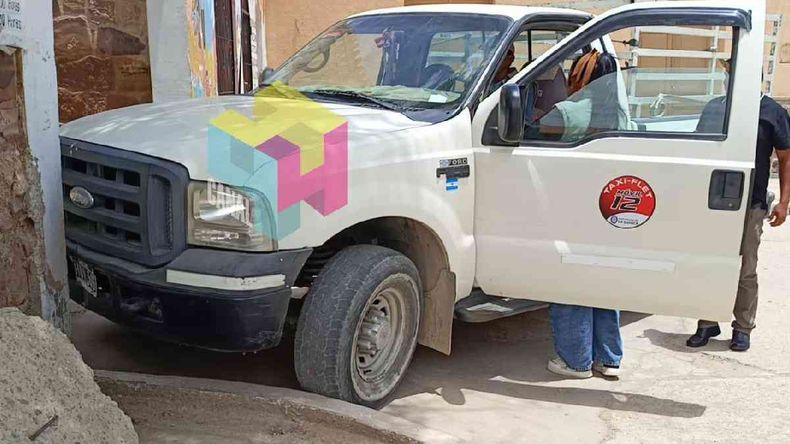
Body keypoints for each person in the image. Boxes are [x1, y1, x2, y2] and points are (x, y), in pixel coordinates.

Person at [687, 76, 790, 352]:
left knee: (746, 269)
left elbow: (785, 158)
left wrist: (784, 202)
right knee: (711, 265)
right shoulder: (715, 108)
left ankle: (743, 327)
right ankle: (707, 322)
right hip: (713, 202)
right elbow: (699, 150)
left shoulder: (771, 112)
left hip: (751, 203)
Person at [546, 50, 625, 379]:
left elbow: (524, 135)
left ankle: (575, 359)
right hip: (611, 210)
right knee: (605, 282)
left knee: (571, 281)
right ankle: (608, 358)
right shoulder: (624, 117)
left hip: (573, 210)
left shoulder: (567, 113)